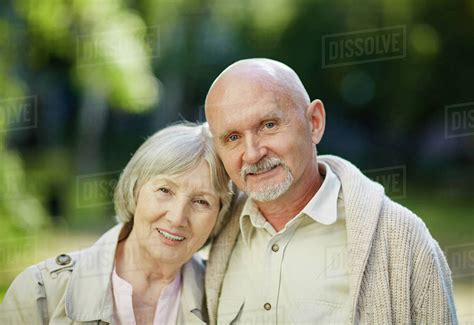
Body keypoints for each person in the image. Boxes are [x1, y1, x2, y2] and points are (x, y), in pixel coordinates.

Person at [204, 58, 457, 324]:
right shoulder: (214, 239)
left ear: (314, 122)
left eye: (269, 125)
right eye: (232, 137)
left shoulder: (400, 238)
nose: (253, 153)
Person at [0, 123, 232, 324]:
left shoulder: (225, 300)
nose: (177, 217)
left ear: (219, 215)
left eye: (202, 201)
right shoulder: (41, 291)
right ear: (135, 190)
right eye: (164, 190)